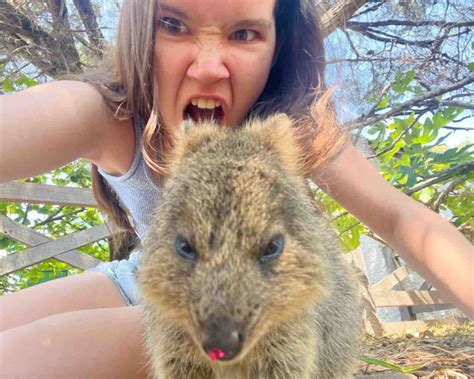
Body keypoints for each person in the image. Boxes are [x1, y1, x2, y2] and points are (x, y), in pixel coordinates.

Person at [0, 0, 472, 377]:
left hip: (246, 300)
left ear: (276, 43)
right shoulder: (108, 112)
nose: (209, 68)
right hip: (151, 274)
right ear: (139, 33)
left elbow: (401, 219)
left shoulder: (295, 126)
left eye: (243, 33)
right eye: (173, 24)